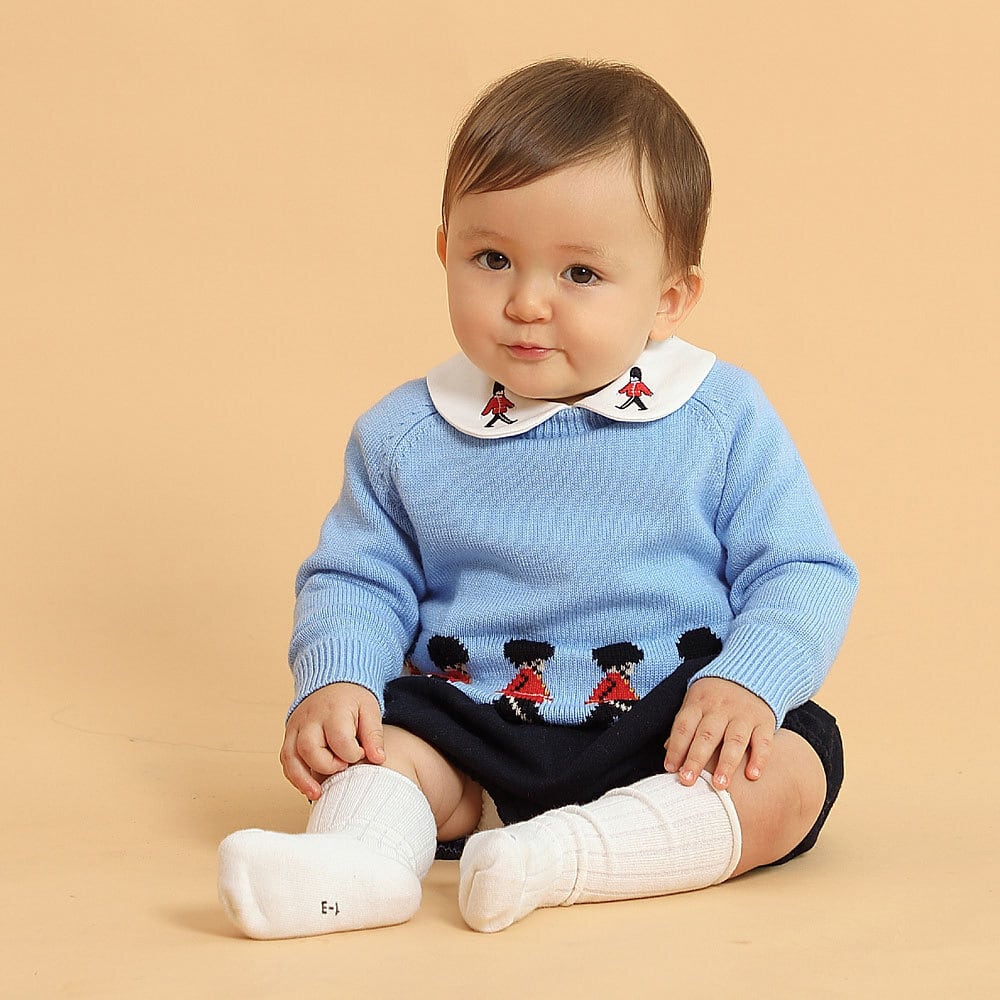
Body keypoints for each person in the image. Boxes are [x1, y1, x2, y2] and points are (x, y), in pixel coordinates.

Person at [218, 57, 859, 939]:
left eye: (580, 274)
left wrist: (746, 682)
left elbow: (801, 570)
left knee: (790, 768)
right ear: (444, 251)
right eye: (492, 259)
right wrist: (336, 678)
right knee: (379, 756)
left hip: (670, 726)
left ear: (669, 299)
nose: (526, 302)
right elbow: (358, 579)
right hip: (472, 726)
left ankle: (560, 859)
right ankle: (356, 869)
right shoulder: (407, 433)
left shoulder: (719, 418)